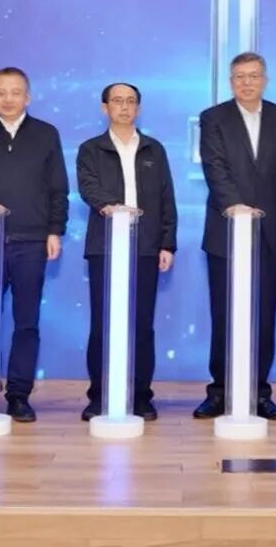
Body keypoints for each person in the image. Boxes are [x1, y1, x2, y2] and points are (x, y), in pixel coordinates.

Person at [195, 52, 276, 421]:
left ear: (265, 80)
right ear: (231, 82)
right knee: (225, 313)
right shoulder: (213, 118)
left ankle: (258, 393)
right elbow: (215, 168)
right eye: (239, 76)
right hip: (225, 231)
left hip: (271, 233)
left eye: (253, 75)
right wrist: (235, 207)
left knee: (263, 316)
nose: (246, 82)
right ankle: (220, 392)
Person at [0, 67, 68, 423]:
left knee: (26, 322)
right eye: (1, 92)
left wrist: (55, 231)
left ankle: (19, 394)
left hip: (32, 241)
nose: (8, 99)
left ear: (28, 97)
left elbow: (58, 187)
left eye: (16, 92)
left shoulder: (46, 134)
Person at [76, 82, 176, 422]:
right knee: (103, 323)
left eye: (130, 101)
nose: (124, 107)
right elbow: (88, 187)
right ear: (105, 108)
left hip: (145, 246)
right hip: (105, 246)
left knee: (142, 325)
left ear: (139, 108)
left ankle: (141, 396)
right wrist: (112, 206)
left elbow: (166, 198)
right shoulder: (91, 149)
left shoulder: (154, 149)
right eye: (117, 101)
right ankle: (99, 396)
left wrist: (167, 243)